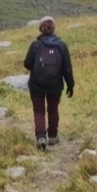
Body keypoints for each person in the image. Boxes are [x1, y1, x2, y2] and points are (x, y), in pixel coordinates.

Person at [23, 16, 75, 150]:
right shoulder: (61, 46)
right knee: (53, 109)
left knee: (39, 111)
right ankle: (52, 136)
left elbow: (27, 64)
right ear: (54, 28)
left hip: (36, 84)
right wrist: (70, 85)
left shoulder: (36, 45)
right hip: (55, 84)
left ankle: (41, 136)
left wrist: (37, 69)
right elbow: (67, 69)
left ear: (41, 29)